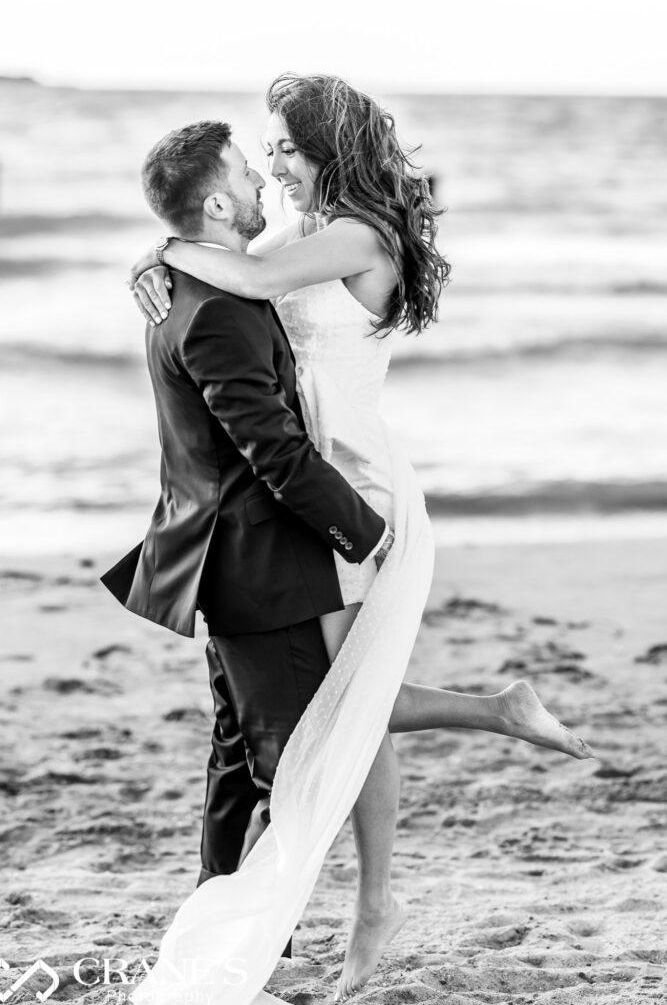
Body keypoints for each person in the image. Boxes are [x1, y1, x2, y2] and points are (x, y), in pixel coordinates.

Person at [128, 76, 593, 1005]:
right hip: (315, 485)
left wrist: (166, 253)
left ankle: (389, 881)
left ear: (328, 148)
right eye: (265, 154)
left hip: (351, 487)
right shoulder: (301, 232)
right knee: (347, 692)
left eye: (287, 151)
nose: (274, 167)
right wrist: (157, 253)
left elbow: (237, 272)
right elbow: (219, 241)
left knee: (344, 698)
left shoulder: (357, 236)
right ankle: (415, 840)